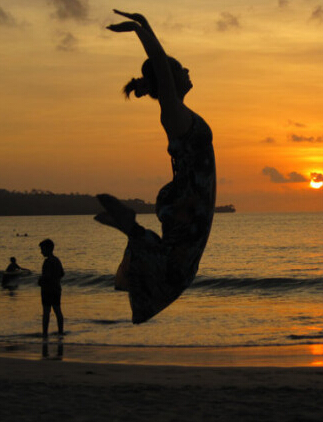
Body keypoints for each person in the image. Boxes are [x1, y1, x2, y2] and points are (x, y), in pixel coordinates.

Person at [97, 10, 216, 324]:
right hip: (189, 200)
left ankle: (132, 228)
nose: (188, 70)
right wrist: (140, 30)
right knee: (178, 269)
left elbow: (163, 68)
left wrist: (146, 23)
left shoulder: (180, 111)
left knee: (179, 265)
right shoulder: (173, 112)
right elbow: (161, 67)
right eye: (181, 68)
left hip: (191, 200)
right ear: (171, 81)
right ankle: (132, 229)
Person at [38, 239, 64, 337]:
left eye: (42, 249)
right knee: (57, 311)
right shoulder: (57, 260)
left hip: (47, 290)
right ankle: (60, 331)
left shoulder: (48, 262)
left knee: (46, 312)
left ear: (48, 249)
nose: (41, 252)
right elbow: (62, 273)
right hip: (56, 289)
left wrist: (41, 281)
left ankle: (45, 333)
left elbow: (46, 276)